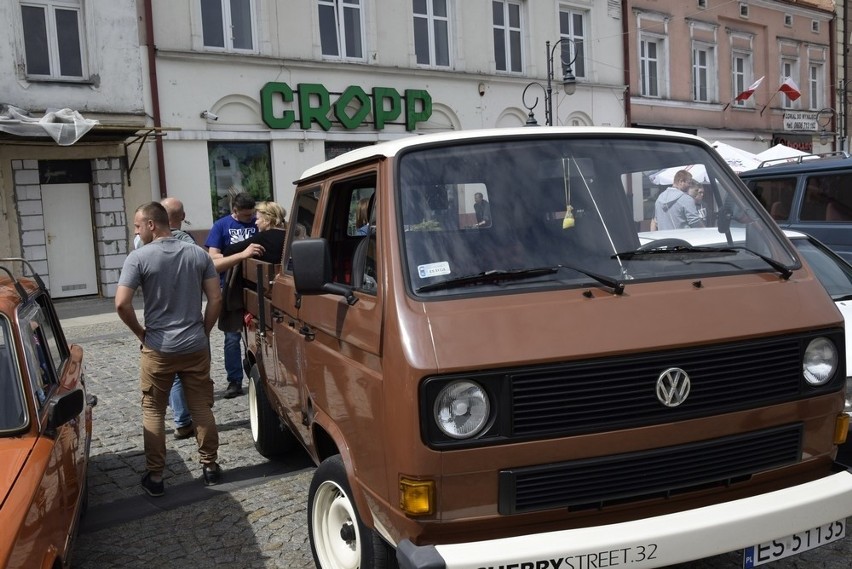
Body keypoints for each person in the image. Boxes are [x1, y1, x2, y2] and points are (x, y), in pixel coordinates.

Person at [115, 202, 223, 496]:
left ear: (152, 224)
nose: (135, 231)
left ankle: (156, 476)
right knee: (201, 407)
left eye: (138, 225)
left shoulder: (138, 258)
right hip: (194, 344)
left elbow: (121, 303)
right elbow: (215, 298)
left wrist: (141, 333)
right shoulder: (197, 253)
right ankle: (210, 467)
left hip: (159, 348)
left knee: (153, 409)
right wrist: (205, 330)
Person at [205, 192, 257, 399]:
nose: (249, 219)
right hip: (229, 287)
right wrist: (240, 255)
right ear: (234, 211)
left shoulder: (258, 222)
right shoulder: (221, 225)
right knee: (232, 337)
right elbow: (212, 256)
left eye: (251, 215)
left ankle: (255, 373)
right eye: (245, 216)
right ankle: (234, 381)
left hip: (254, 287)